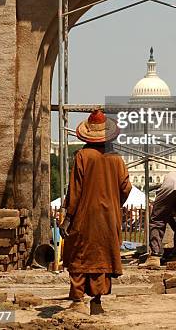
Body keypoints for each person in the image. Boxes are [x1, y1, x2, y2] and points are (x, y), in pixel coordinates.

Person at [60, 110, 131, 316]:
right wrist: (113, 204)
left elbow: (74, 191)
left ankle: (77, 300)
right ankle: (97, 300)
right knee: (102, 256)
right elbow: (125, 188)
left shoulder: (83, 156)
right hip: (109, 218)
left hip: (85, 216)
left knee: (79, 256)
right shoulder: (116, 158)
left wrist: (68, 218)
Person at [141, 170, 176, 269]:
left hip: (169, 184)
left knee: (157, 220)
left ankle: (154, 257)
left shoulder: (169, 181)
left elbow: (163, 219)